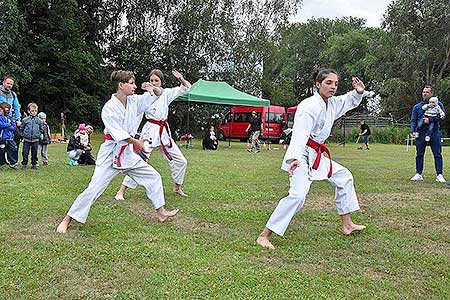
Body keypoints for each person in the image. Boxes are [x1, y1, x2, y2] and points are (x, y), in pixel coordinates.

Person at [56, 70, 178, 234]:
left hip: (127, 154)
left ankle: (161, 212)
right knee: (94, 189)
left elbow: (158, 94)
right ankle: (67, 219)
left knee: (153, 176)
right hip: (111, 154)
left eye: (135, 83)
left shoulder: (134, 101)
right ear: (121, 85)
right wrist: (138, 143)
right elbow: (118, 134)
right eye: (131, 83)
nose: (135, 86)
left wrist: (151, 89)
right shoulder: (109, 108)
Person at [256, 69, 366, 250]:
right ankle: (264, 235)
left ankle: (347, 224)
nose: (333, 87)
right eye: (328, 83)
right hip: (302, 154)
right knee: (298, 196)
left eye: (336, 84)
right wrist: (295, 159)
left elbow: (347, 101)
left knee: (344, 177)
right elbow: (300, 133)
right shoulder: (308, 106)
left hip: (316, 155)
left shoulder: (331, 103)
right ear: (318, 84)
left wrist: (358, 92)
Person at [115, 69, 191, 200]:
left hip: (163, 132)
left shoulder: (167, 93)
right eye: (152, 80)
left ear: (161, 82)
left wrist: (181, 78)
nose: (154, 83)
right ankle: (121, 191)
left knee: (181, 161)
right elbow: (136, 113)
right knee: (140, 160)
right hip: (150, 130)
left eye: (156, 80)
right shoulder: (144, 97)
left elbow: (186, 88)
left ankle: (177, 187)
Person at [410, 85, 446, 182]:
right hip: (420, 133)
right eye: (423, 92)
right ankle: (418, 173)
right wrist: (413, 131)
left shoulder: (439, 105)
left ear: (431, 94)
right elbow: (413, 120)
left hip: (434, 132)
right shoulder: (417, 107)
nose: (425, 93)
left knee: (437, 154)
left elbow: (442, 117)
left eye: (427, 92)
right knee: (419, 154)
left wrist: (429, 120)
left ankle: (439, 175)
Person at [0, 75, 21, 162]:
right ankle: (2, 160)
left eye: (11, 84)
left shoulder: (13, 94)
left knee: (18, 136)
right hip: (1, 119)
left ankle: (11, 157)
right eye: (8, 83)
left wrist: (18, 119)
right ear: (3, 82)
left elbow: (16, 108)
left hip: (10, 119)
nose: (9, 85)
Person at [20, 102, 43, 170]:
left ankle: (34, 164)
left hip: (35, 140)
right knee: (25, 152)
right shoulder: (25, 120)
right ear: (28, 111)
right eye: (32, 111)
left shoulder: (39, 120)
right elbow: (22, 128)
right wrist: (23, 135)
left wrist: (39, 135)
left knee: (34, 153)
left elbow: (41, 129)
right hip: (27, 139)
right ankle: (24, 164)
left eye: (35, 111)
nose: (34, 112)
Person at [0, 102, 18, 168]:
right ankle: (2, 164)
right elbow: (1, 125)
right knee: (2, 151)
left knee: (13, 149)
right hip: (2, 138)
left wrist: (6, 125)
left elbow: (14, 127)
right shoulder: (0, 117)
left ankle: (13, 163)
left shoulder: (10, 118)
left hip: (10, 138)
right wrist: (8, 124)